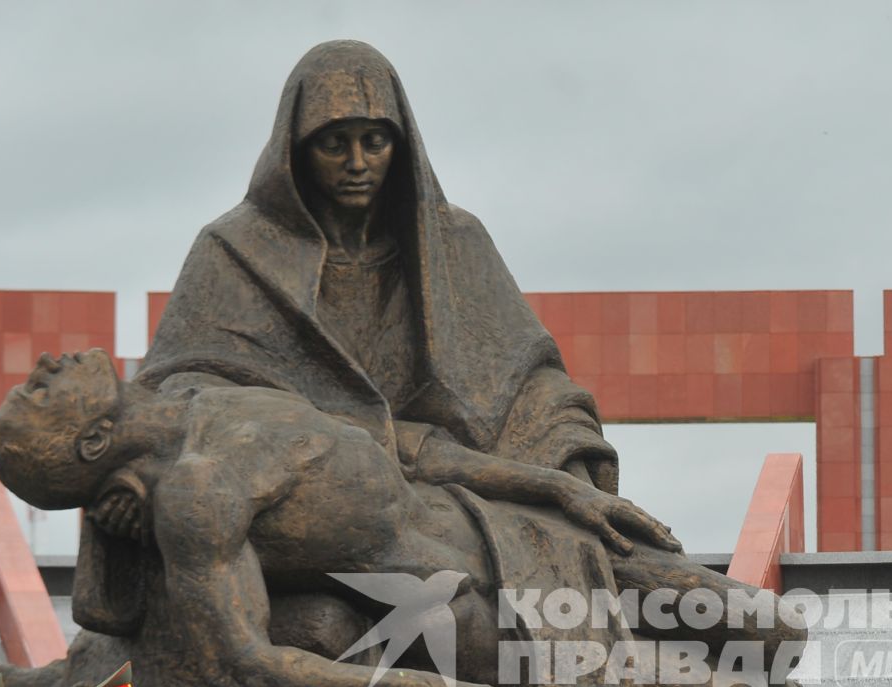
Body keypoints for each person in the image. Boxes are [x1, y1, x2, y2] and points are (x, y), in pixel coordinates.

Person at [0, 349, 826, 687]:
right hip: (471, 619)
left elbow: (414, 450)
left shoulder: (204, 391)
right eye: (37, 394)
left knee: (773, 629)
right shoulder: (196, 498)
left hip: (516, 528)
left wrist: (556, 489)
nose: (43, 365)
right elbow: (255, 665)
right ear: (93, 435)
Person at [87, 40, 617, 639]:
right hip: (310, 506)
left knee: (638, 577)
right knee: (339, 626)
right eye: (334, 143)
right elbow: (178, 390)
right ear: (297, 151)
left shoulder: (456, 246)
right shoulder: (235, 251)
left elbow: (535, 384)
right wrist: (138, 479)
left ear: (402, 144)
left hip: (465, 491)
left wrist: (562, 459)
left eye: (375, 140)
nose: (357, 162)